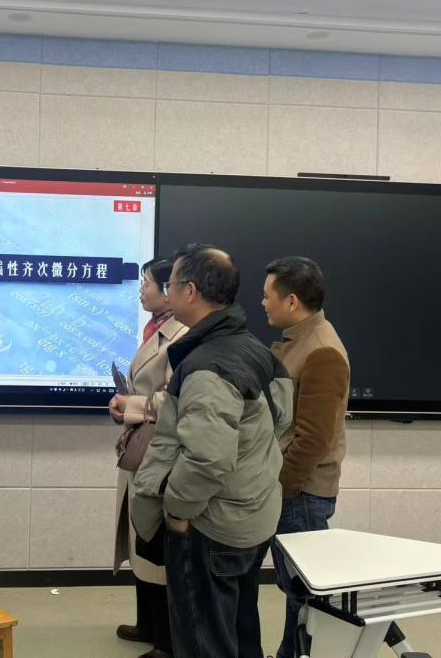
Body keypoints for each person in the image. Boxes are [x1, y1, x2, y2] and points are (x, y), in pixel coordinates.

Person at [131, 244, 292, 658]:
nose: (166, 291)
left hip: (210, 526)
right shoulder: (253, 347)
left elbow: (208, 458)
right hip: (251, 513)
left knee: (204, 640)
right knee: (239, 631)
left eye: (170, 284)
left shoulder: (208, 365)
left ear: (190, 291)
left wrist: (178, 513)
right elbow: (281, 420)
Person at [262, 256, 350, 658]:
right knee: (297, 589)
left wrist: (282, 487)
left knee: (305, 592)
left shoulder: (321, 350)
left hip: (301, 492)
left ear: (292, 301)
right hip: (291, 488)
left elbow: (314, 439)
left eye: (268, 295)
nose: (263, 303)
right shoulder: (299, 340)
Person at [111, 257, 189, 658]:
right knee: (138, 536)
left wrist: (133, 406)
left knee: (154, 543)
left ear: (171, 291)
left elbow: (176, 397)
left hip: (159, 448)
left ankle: (165, 640)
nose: (141, 290)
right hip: (140, 444)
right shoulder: (155, 327)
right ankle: (147, 623)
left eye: (148, 283)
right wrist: (127, 406)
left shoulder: (183, 335)